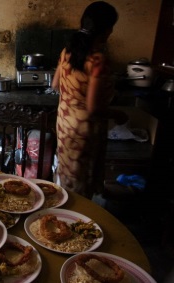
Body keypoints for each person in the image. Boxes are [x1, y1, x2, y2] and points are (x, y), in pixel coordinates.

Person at [52, 1, 128, 199]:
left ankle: (62, 213)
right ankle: (76, 223)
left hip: (64, 123)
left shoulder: (66, 51)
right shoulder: (96, 61)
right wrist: (118, 114)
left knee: (67, 175)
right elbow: (93, 107)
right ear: (106, 30)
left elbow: (54, 85)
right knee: (81, 185)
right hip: (83, 129)